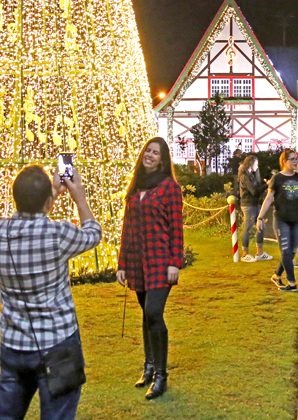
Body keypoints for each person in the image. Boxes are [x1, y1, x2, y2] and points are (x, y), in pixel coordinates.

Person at [0, 164, 101, 419]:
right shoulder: (58, 234)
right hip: (58, 343)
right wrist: (78, 196)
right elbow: (93, 233)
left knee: (7, 415)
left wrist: (50, 194)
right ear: (48, 200)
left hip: (14, 344)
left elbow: (31, 208)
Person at [116, 138, 184, 400]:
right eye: (148, 150)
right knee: (146, 314)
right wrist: (122, 264)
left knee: (154, 313)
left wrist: (174, 262)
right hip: (136, 260)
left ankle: (161, 375)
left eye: (156, 153)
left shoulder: (169, 187)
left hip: (160, 261)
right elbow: (127, 228)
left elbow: (176, 228)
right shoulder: (134, 188)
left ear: (163, 159)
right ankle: (148, 366)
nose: (150, 155)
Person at [257, 149, 298, 291]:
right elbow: (269, 198)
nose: (296, 161)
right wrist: (260, 217)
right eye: (292, 159)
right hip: (281, 219)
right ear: (284, 161)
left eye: (297, 159)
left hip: (297, 219)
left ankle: (277, 275)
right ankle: (292, 283)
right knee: (286, 250)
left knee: (292, 252)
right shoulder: (277, 178)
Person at [238, 155, 272, 263]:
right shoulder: (244, 176)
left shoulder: (251, 175)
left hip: (255, 204)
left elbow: (257, 188)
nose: (257, 166)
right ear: (251, 164)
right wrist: (267, 185)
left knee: (261, 226)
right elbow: (254, 191)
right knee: (247, 228)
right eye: (256, 164)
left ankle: (260, 253)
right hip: (248, 204)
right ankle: (245, 254)